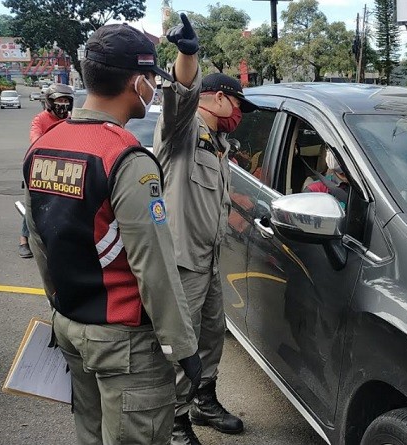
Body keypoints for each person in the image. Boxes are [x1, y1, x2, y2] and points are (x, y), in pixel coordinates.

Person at [23, 23, 201, 445]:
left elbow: (39, 241)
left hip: (70, 325)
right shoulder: (125, 158)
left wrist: (62, 309)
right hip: (124, 342)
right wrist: (183, 349)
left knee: (90, 433)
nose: (155, 87)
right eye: (153, 79)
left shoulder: (44, 145)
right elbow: (153, 265)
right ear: (137, 81)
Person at [153, 13, 256, 444]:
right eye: (236, 104)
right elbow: (179, 94)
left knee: (213, 333)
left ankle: (203, 401)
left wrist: (238, 211)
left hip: (208, 257)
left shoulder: (219, 145)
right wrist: (187, 54)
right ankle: (175, 423)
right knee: (184, 342)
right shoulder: (183, 129)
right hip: (181, 260)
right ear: (213, 98)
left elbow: (211, 197)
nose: (239, 114)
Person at [19, 83, 75, 258]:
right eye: (59, 100)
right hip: (42, 166)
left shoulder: (71, 119)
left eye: (66, 100)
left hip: (66, 166)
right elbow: (36, 139)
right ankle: (23, 240)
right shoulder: (40, 119)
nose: (63, 104)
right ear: (50, 102)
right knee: (36, 204)